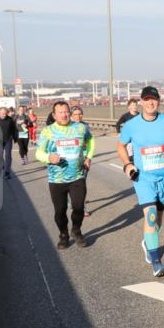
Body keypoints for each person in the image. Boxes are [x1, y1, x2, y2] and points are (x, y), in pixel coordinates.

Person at [117, 87, 164, 277]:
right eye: (146, 100)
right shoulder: (132, 125)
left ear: (158, 101)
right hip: (143, 178)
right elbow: (120, 145)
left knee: (158, 221)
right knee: (151, 216)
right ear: (141, 102)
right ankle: (156, 262)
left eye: (153, 99)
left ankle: (148, 242)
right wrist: (127, 164)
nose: (150, 103)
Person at [35, 101, 93, 249]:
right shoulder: (48, 131)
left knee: (79, 207)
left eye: (66, 111)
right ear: (54, 115)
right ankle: (63, 235)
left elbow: (91, 140)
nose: (64, 114)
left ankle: (76, 230)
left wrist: (88, 157)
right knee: (60, 211)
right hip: (56, 179)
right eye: (60, 112)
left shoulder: (80, 128)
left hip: (77, 176)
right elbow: (38, 152)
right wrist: (48, 158)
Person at [70, 106, 95, 217]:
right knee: (70, 183)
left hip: (83, 159)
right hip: (70, 160)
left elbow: (90, 142)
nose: (78, 116)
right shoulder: (67, 126)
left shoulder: (85, 126)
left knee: (81, 184)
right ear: (71, 115)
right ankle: (72, 201)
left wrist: (89, 157)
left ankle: (82, 207)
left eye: (80, 114)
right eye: (75, 114)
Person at [0, 106, 18, 179]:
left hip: (8, 140)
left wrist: (15, 138)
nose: (4, 115)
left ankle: (7, 172)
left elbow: (14, 129)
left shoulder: (10, 119)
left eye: (5, 114)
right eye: (2, 114)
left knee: (8, 156)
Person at [116, 98, 140, 165]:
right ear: (129, 107)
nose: (134, 107)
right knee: (131, 157)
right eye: (132, 105)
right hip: (129, 140)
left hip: (138, 139)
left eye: (135, 105)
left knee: (139, 156)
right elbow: (118, 124)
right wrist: (119, 133)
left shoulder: (140, 116)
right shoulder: (125, 116)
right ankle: (132, 168)